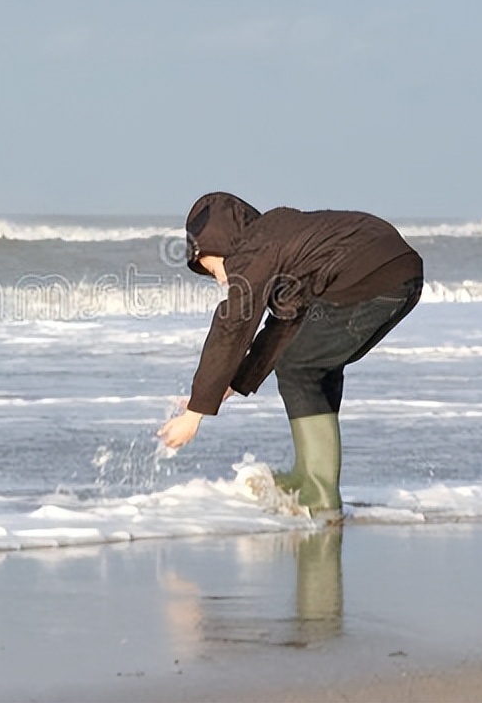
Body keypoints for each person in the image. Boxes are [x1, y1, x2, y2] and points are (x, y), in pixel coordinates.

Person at [157, 192, 424, 517]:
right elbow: (284, 327)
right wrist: (233, 384)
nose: (220, 280)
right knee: (315, 363)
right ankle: (310, 477)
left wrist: (194, 414)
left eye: (212, 271)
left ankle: (319, 492)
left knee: (300, 368)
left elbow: (231, 326)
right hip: (401, 273)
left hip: (369, 275)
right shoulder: (276, 242)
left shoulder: (255, 251)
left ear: (220, 243)